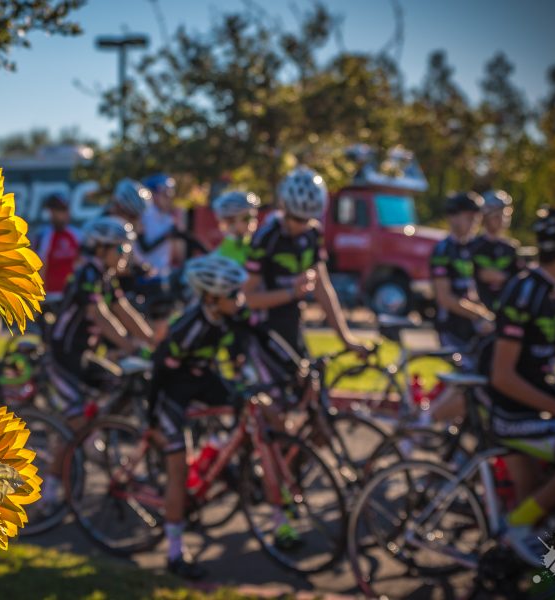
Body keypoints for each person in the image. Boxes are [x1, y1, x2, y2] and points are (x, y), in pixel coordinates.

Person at [149, 254, 300, 580]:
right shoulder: (189, 328)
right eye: (234, 294)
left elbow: (262, 336)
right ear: (212, 298)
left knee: (258, 406)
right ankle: (174, 552)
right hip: (172, 390)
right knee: (176, 470)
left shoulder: (228, 310)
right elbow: (159, 372)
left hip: (203, 377)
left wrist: (293, 366)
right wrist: (151, 417)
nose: (241, 299)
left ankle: (244, 478)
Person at [486, 207, 555, 565]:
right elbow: (502, 376)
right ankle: (518, 528)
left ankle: (551, 573)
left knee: (551, 516)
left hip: (543, 413)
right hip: (513, 416)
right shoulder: (525, 292)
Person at [243, 166, 368, 358]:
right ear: (284, 209)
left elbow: (322, 287)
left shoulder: (313, 234)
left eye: (307, 219)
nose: (301, 226)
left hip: (293, 322)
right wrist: (292, 293)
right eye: (296, 219)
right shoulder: (266, 238)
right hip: (262, 328)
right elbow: (247, 298)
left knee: (312, 381)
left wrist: (345, 338)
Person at [48, 216, 154, 428]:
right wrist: (130, 346)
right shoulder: (87, 274)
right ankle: (65, 452)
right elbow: (99, 315)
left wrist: (152, 341)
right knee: (76, 427)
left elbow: (123, 310)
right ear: (100, 249)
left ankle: (97, 437)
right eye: (121, 249)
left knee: (117, 383)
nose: (126, 255)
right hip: (63, 354)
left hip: (83, 353)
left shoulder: (106, 276)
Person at [430, 191, 494, 358]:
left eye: (477, 219)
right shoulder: (443, 250)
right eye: (470, 218)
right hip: (452, 327)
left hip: (473, 326)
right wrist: (481, 314)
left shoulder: (475, 248)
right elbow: (444, 297)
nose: (475, 223)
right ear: (453, 217)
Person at [472, 189, 523, 311]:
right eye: (495, 215)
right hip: (478, 309)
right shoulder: (474, 245)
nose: (501, 219)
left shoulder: (512, 247)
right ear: (485, 217)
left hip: (505, 309)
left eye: (504, 214)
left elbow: (519, 279)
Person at [33, 193, 81, 298]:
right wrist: (39, 294)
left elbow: (80, 262)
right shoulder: (44, 236)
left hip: (71, 295)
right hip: (49, 296)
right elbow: (40, 267)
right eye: (53, 211)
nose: (57, 215)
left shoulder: (77, 235)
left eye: (61, 210)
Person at [141, 173, 184, 275]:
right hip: (144, 275)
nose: (169, 199)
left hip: (162, 274)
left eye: (169, 194)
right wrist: (167, 235)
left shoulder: (169, 218)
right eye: (164, 194)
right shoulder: (143, 215)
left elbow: (178, 255)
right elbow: (145, 248)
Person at [212, 190, 260, 266]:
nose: (252, 221)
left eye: (254, 217)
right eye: (246, 218)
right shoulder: (223, 256)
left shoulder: (255, 244)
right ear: (230, 222)